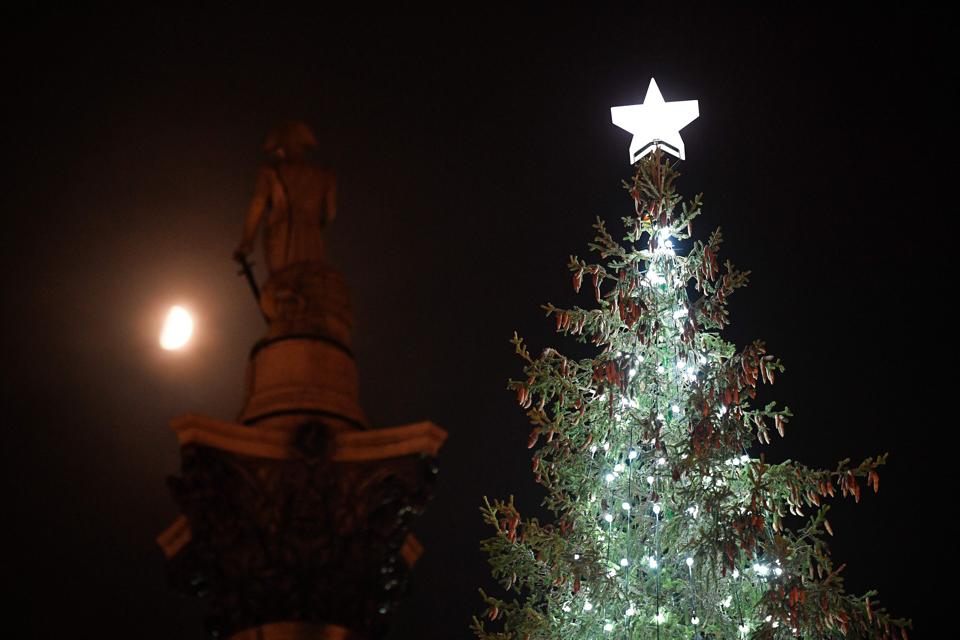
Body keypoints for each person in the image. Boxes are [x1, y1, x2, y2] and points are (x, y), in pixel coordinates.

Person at [234, 121, 337, 276]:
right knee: (310, 279)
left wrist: (247, 242)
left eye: (280, 148)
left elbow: (258, 204)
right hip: (311, 240)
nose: (278, 153)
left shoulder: (270, 173)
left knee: (283, 282)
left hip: (281, 239)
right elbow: (329, 214)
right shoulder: (325, 176)